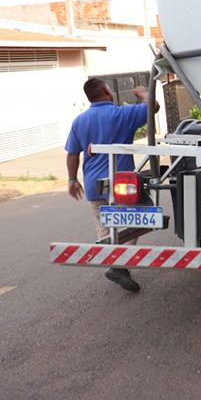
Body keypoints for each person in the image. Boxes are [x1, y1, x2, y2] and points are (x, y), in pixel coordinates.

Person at [65, 78, 160, 293]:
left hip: (93, 185)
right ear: (107, 90)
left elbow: (72, 154)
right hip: (121, 185)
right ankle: (119, 265)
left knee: (105, 228)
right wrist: (142, 92)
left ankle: (116, 265)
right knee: (135, 220)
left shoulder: (79, 121)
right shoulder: (122, 114)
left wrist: (72, 180)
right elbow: (152, 107)